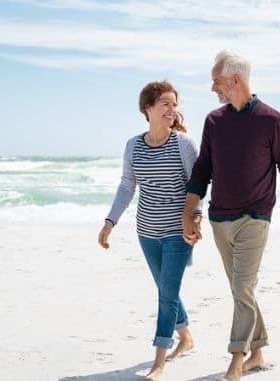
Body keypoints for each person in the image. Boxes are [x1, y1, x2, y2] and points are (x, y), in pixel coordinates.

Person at [182, 50, 280, 381]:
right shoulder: (214, 121)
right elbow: (202, 170)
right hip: (218, 219)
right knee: (243, 290)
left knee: (241, 287)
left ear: (234, 79)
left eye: (216, 81)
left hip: (255, 217)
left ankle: (236, 361)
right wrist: (189, 212)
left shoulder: (271, 120)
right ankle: (257, 353)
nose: (213, 88)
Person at [98, 80, 202, 381]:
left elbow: (197, 186)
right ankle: (187, 337)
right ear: (148, 109)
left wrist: (195, 217)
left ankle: (159, 362)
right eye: (165, 104)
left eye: (174, 104)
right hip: (146, 230)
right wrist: (110, 221)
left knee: (166, 295)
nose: (172, 110)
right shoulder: (133, 145)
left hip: (177, 231)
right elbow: (127, 186)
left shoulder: (183, 144)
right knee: (165, 289)